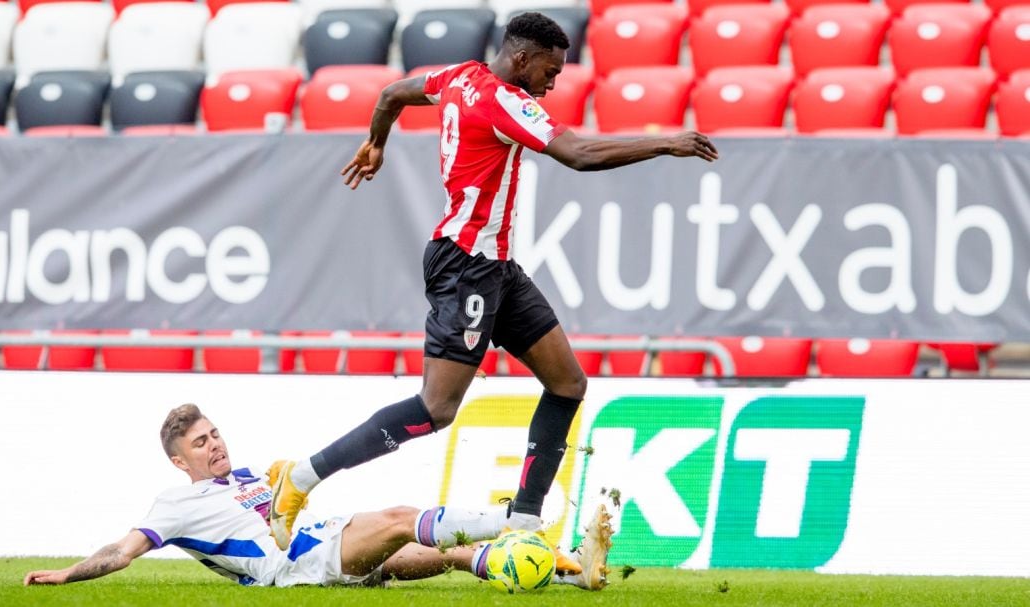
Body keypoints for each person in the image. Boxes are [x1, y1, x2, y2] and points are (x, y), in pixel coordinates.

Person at [269, 10, 718, 562]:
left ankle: (524, 525)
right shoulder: (506, 101)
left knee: (567, 384)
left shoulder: (458, 76)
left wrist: (376, 143)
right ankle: (301, 476)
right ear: (522, 59)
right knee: (436, 408)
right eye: (550, 72)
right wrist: (665, 145)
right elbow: (576, 155)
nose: (553, 85)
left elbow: (391, 93)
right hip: (465, 267)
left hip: (496, 266)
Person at [23, 404, 613, 590]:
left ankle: (574, 576)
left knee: (449, 554)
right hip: (296, 569)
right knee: (404, 518)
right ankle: (515, 522)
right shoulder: (175, 505)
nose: (215, 445)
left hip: (324, 541)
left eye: (216, 433)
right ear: (180, 461)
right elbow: (123, 551)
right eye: (201, 444)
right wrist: (69, 572)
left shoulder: (253, 475)